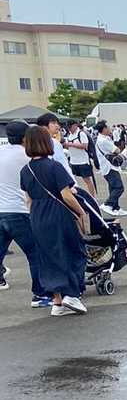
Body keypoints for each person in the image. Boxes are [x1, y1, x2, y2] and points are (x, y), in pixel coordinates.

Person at [19, 124, 89, 315]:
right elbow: (66, 195)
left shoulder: (25, 170)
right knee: (72, 252)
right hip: (58, 213)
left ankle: (57, 302)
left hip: (37, 215)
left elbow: (28, 199)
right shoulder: (54, 166)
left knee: (48, 257)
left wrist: (34, 217)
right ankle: (72, 295)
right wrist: (81, 211)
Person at [0, 121, 49, 306]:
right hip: (20, 211)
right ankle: (41, 294)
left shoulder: (1, 151)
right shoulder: (27, 156)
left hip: (1, 210)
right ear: (25, 137)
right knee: (35, 253)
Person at [93, 122, 127, 216]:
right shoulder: (103, 141)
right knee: (119, 187)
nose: (110, 129)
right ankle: (108, 204)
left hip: (107, 166)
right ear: (104, 129)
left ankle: (115, 208)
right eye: (108, 127)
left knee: (113, 187)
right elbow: (117, 150)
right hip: (109, 167)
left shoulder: (103, 139)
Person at [62, 119, 95, 194]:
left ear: (75, 125)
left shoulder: (81, 134)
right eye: (68, 127)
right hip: (73, 161)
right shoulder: (70, 135)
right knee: (73, 180)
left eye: (70, 127)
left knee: (87, 180)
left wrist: (70, 144)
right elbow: (69, 147)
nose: (69, 129)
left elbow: (84, 145)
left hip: (83, 161)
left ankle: (92, 196)